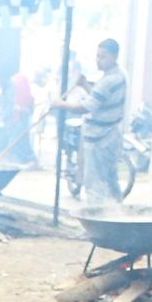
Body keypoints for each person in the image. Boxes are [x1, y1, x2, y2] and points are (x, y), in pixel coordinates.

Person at [53, 38, 126, 204]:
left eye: (103, 57)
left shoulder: (109, 80)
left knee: (95, 186)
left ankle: (100, 223)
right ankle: (119, 217)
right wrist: (85, 84)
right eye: (97, 56)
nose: (98, 60)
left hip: (101, 139)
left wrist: (60, 104)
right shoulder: (116, 76)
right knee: (110, 182)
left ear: (115, 56)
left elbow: (86, 107)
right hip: (109, 136)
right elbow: (100, 99)